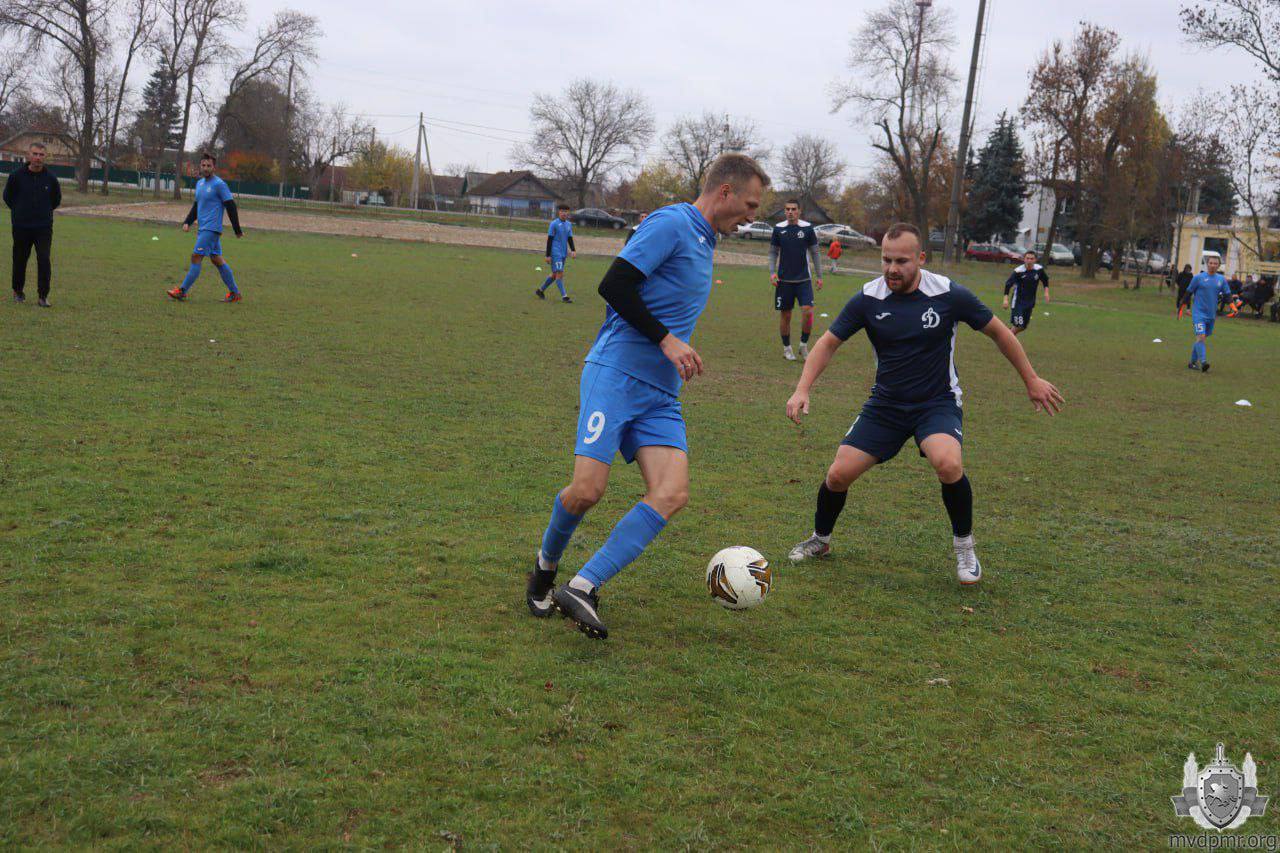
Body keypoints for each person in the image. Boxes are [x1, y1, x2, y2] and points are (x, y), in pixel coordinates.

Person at [525, 153, 770, 640]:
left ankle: (583, 585)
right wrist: (667, 339)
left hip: (660, 393)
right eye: (749, 204)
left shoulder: (704, 241)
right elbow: (614, 284)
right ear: (724, 192)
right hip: (615, 373)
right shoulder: (673, 223)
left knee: (672, 493)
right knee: (587, 491)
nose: (752, 214)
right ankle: (545, 570)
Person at [784, 223, 1063, 585]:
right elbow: (827, 343)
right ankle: (820, 540)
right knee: (837, 475)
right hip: (885, 406)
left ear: (920, 258)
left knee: (947, 464)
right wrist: (802, 388)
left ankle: (965, 547)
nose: (891, 269)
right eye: (886, 260)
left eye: (901, 261)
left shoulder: (947, 294)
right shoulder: (869, 298)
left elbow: (998, 331)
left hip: (937, 402)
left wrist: (1031, 379)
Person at [166, 153, 244, 301]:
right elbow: (197, 206)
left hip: (212, 229)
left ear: (214, 167)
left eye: (209, 165)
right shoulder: (200, 184)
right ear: (200, 167)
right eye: (203, 165)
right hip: (203, 228)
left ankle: (182, 290)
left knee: (196, 257)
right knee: (216, 259)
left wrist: (237, 229)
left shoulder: (219, 184)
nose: (206, 168)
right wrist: (187, 221)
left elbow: (231, 206)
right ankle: (235, 293)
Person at [3, 142, 61, 307]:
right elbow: (8, 197)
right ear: (28, 155)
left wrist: (43, 212)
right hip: (21, 226)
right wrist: (20, 212)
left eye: (41, 155)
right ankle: (18, 291)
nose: (37, 158)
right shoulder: (16, 176)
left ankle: (43, 296)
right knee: (20, 259)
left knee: (44, 259)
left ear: (45, 157)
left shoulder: (51, 178)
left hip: (43, 227)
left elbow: (55, 200)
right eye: (34, 154)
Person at [769, 200, 823, 360]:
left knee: (808, 311)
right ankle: (787, 348)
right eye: (787, 209)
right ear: (784, 211)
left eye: (793, 209)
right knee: (786, 316)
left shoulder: (807, 228)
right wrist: (772, 272)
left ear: (799, 211)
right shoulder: (779, 229)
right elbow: (773, 252)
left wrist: (819, 276)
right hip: (784, 281)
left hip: (804, 279)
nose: (790, 212)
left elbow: (815, 253)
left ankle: (803, 345)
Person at [1180, 254, 1232, 372]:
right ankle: (1203, 362)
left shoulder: (1221, 279)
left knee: (1200, 339)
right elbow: (1188, 292)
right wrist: (1182, 305)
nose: (1213, 265)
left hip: (1211, 315)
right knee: (1201, 337)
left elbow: (1227, 294)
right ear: (1207, 264)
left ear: (1218, 266)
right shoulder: (1198, 278)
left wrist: (1233, 305)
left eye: (1215, 263)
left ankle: (1192, 363)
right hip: (1198, 313)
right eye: (1211, 263)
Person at [1001, 250, 1051, 335]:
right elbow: (1008, 285)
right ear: (1024, 259)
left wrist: (1046, 292)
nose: (1029, 261)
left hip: (1030, 302)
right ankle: (1006, 340)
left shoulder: (1039, 269)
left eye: (1032, 259)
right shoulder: (1018, 271)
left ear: (1035, 260)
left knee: (1023, 326)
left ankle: (1006, 334)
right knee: (1018, 325)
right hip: (1018, 302)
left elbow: (1045, 280)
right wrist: (1005, 300)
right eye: (1027, 258)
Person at [536, 204, 576, 303]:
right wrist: (548, 255)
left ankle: (540, 290)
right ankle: (564, 296)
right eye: (562, 211)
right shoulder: (553, 224)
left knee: (554, 275)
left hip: (563, 253)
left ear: (568, 213)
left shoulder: (569, 224)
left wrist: (573, 250)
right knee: (559, 274)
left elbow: (570, 238)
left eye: (566, 211)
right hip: (555, 252)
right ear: (559, 212)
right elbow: (549, 240)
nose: (564, 213)